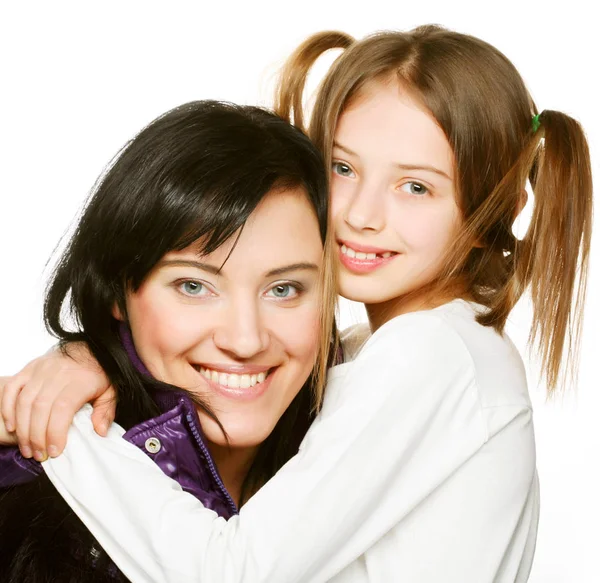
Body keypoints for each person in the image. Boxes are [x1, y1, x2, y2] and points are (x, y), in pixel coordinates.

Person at [0, 24, 593, 582]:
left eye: (416, 187)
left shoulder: (430, 354)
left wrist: (60, 429)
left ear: (503, 203)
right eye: (342, 167)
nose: (362, 215)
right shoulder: (403, 352)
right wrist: (87, 358)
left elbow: (231, 572)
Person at [0, 99, 336, 581]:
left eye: (284, 289)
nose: (245, 340)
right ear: (119, 289)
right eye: (194, 287)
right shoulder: (37, 504)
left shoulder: (368, 420)